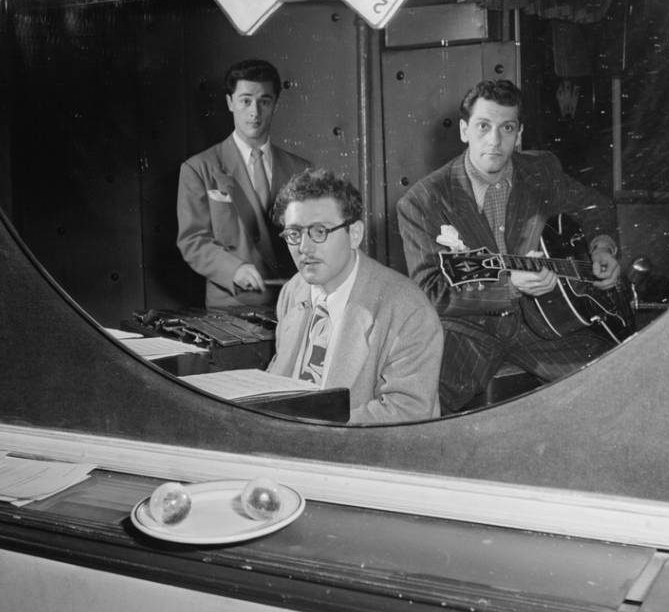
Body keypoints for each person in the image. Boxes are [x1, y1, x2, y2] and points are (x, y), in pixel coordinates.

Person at [396, 79, 622, 415]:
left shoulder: (541, 170)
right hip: (469, 330)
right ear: (464, 130)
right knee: (415, 413)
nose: (495, 141)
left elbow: (595, 207)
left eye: (507, 128)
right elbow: (431, 290)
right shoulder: (424, 200)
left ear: (519, 133)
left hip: (550, 326)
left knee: (620, 388)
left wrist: (602, 247)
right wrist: (509, 286)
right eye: (483, 126)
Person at [267, 168, 443, 425]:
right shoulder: (293, 291)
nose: (304, 248)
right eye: (294, 233)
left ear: (355, 234)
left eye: (319, 231)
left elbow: (408, 412)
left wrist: (311, 430)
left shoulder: (407, 309)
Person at [177, 59, 311, 310]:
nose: (255, 112)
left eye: (264, 102)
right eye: (246, 100)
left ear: (275, 105)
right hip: (231, 305)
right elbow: (192, 239)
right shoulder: (198, 168)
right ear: (230, 103)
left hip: (295, 303)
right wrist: (234, 270)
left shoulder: (301, 170)